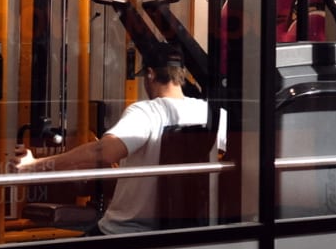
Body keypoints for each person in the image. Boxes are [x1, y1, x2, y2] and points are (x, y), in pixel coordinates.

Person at [14, 48, 211, 233]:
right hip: (180, 234)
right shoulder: (208, 112)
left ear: (150, 74)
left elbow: (105, 152)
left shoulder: (147, 112)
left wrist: (34, 165)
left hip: (124, 232)